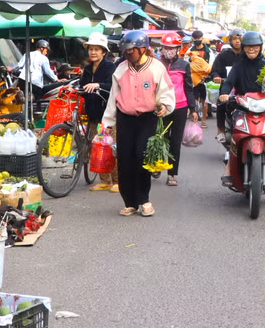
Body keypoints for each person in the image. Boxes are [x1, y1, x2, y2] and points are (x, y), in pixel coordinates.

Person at [102, 31, 175, 217]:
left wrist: (165, 107)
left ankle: (144, 200)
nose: (127, 55)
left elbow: (166, 91)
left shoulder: (156, 68)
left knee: (142, 157)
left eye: (131, 51)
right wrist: (108, 123)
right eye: (125, 52)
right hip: (125, 119)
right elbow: (113, 98)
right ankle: (130, 202)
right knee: (125, 159)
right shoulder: (121, 69)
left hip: (147, 119)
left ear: (143, 49)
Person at [218, 31, 265, 201]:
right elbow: (228, 83)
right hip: (242, 107)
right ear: (243, 48)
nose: (252, 50)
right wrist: (224, 93)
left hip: (264, 108)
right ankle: (229, 169)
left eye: (255, 47)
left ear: (260, 48)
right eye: (248, 47)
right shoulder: (238, 67)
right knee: (235, 136)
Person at [81, 33, 119, 193]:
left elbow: (113, 86)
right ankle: (104, 180)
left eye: (97, 49)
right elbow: (83, 86)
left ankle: (118, 181)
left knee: (111, 147)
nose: (93, 52)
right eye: (91, 49)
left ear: (104, 52)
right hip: (93, 113)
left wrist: (98, 85)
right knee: (96, 148)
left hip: (108, 114)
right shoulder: (88, 68)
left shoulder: (110, 67)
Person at [158, 32, 197, 187]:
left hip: (180, 107)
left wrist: (193, 109)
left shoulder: (184, 65)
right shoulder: (156, 64)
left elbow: (189, 88)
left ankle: (172, 173)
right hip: (161, 107)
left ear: (178, 48)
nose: (169, 50)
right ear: (162, 48)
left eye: (172, 48)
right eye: (166, 47)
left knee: (175, 141)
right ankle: (157, 164)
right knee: (161, 138)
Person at [210, 28, 243, 148]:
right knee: (221, 104)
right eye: (235, 39)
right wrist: (216, 76)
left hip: (243, 89)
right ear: (230, 41)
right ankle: (221, 130)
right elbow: (214, 70)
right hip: (227, 88)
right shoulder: (223, 56)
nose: (237, 42)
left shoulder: (247, 55)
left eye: (240, 39)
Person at [8, 40, 64, 106]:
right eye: (46, 50)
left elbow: (18, 65)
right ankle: (37, 113)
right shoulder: (44, 58)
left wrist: (10, 67)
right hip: (36, 83)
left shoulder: (27, 54)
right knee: (38, 101)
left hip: (23, 80)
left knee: (21, 100)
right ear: (41, 48)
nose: (46, 52)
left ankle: (21, 112)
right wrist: (56, 79)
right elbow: (48, 71)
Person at [186, 30, 211, 127]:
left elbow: (211, 64)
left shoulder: (209, 52)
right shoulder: (189, 52)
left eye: (199, 38)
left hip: (206, 79)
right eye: (195, 39)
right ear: (193, 39)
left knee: (205, 101)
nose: (197, 40)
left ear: (202, 38)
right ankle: (195, 120)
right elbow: (186, 64)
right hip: (193, 79)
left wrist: (208, 75)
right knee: (194, 99)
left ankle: (204, 120)